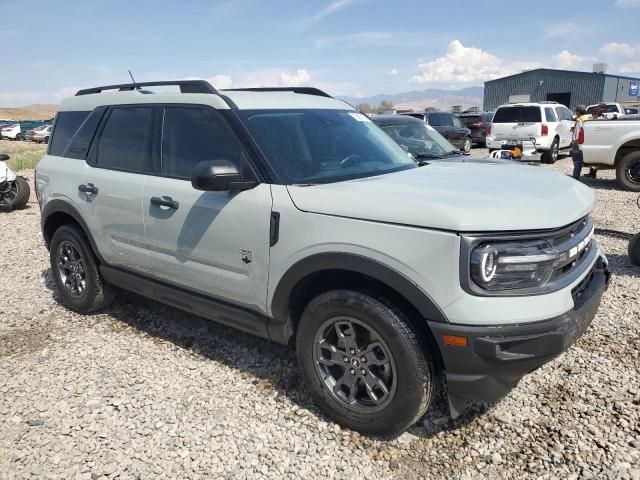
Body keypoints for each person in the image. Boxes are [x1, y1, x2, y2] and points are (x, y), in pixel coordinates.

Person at [571, 105, 589, 180]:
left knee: (576, 160)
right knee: (580, 160)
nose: (576, 112)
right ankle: (577, 175)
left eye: (576, 111)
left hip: (578, 142)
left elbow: (577, 133)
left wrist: (574, 141)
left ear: (578, 112)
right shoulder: (586, 118)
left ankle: (575, 177)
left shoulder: (579, 120)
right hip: (584, 141)